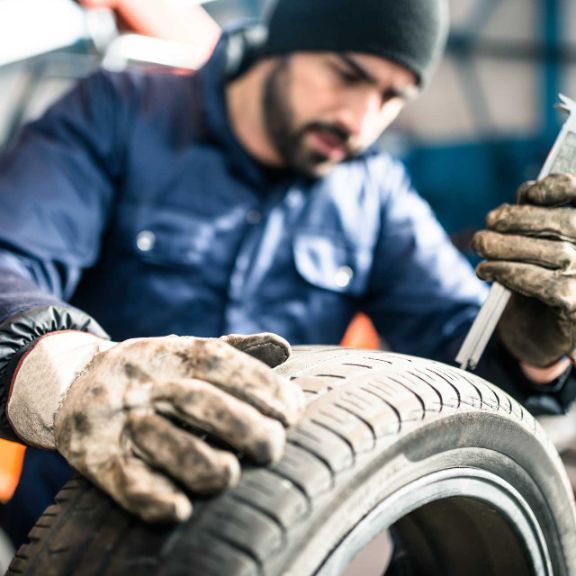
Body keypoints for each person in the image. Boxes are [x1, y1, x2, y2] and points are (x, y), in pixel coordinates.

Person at [1, 0, 576, 539]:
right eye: (347, 74)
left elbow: (464, 352)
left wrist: (531, 350)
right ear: (285, 40)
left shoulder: (373, 195)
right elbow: (10, 259)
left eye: (392, 97)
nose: (361, 119)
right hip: (70, 529)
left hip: (265, 539)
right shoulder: (119, 113)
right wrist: (75, 375)